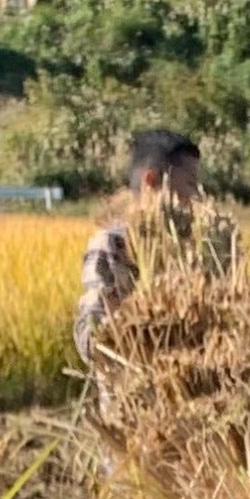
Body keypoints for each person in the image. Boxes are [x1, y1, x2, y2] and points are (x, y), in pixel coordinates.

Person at [75, 125, 207, 355]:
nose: (196, 196)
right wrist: (136, 328)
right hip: (130, 384)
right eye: (189, 184)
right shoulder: (112, 244)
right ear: (151, 181)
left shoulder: (190, 250)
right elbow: (89, 330)